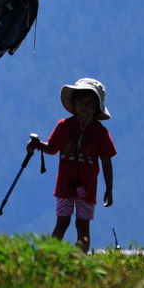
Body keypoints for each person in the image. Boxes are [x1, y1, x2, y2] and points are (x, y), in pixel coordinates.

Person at [27, 77, 116, 252]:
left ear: (96, 108)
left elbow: (107, 161)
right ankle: (49, 258)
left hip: (88, 188)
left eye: (90, 103)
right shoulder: (64, 126)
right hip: (65, 186)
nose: (85, 107)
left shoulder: (100, 133)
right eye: (82, 102)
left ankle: (79, 262)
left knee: (82, 226)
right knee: (63, 222)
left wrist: (109, 189)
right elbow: (52, 148)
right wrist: (38, 145)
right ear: (74, 104)